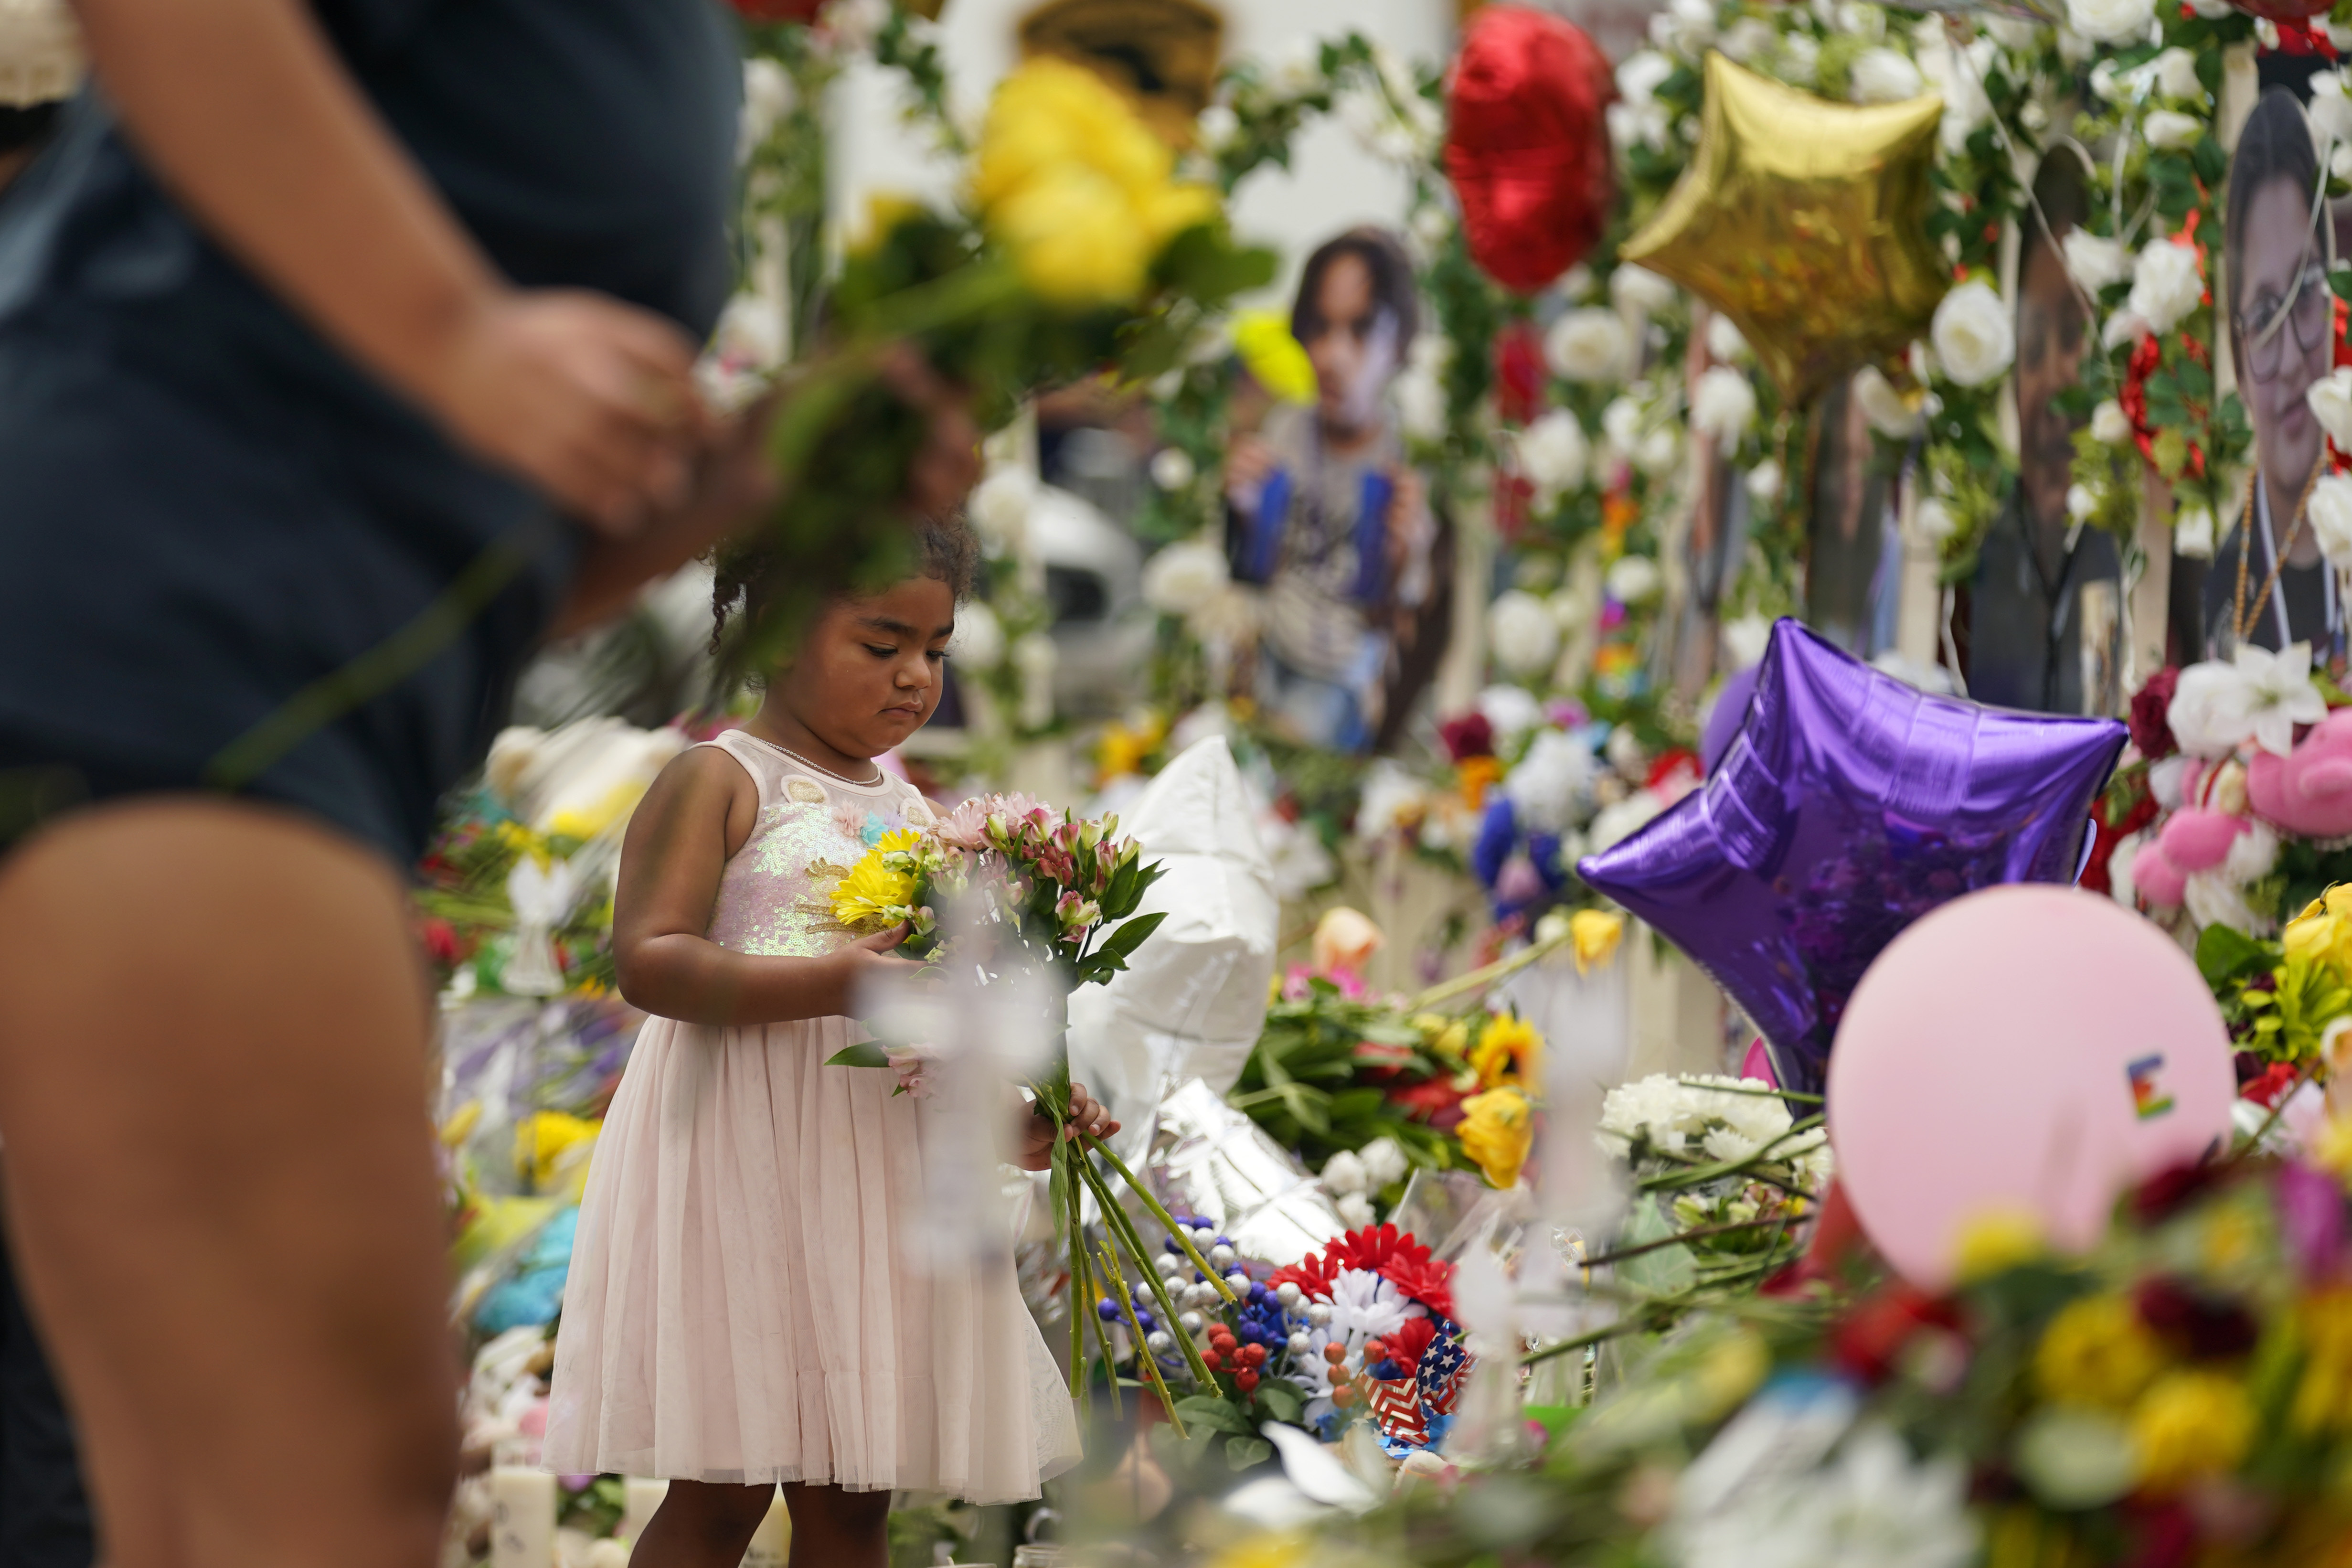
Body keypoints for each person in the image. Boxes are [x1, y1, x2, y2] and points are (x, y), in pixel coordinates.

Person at [0, 3, 976, 1566]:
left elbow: (484, 564)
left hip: (277, 709)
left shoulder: (681, 59)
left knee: (208, 1489)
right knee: (327, 1475)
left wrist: (753, 476)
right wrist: (452, 333)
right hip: (150, 639)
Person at [544, 515, 1099, 1568]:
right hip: (739, 1160)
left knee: (853, 1498)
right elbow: (649, 959)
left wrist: (1013, 1115)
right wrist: (835, 978)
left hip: (869, 1174)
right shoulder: (715, 781)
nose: (913, 678)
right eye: (881, 644)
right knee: (723, 1493)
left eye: (935, 651)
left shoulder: (916, 813)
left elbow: (930, 1013)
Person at [1224, 227, 1440, 752]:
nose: (1332, 354)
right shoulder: (1285, 430)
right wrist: (1242, 511)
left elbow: (1403, 628)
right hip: (1268, 659)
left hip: (1339, 685)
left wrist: (1403, 556)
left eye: (1360, 330)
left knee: (1289, 747)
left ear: (1400, 343)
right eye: (1319, 327)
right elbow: (1252, 571)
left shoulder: (1406, 459)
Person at [1970, 154, 2123, 714]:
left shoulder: (2138, 551)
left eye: (2074, 335)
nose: (2056, 376)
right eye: (2032, 346)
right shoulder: (1989, 558)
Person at [2204, 88, 2344, 666]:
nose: (2289, 359)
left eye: (2305, 291)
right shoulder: (2221, 584)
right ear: (2236, 361)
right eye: (2263, 315)